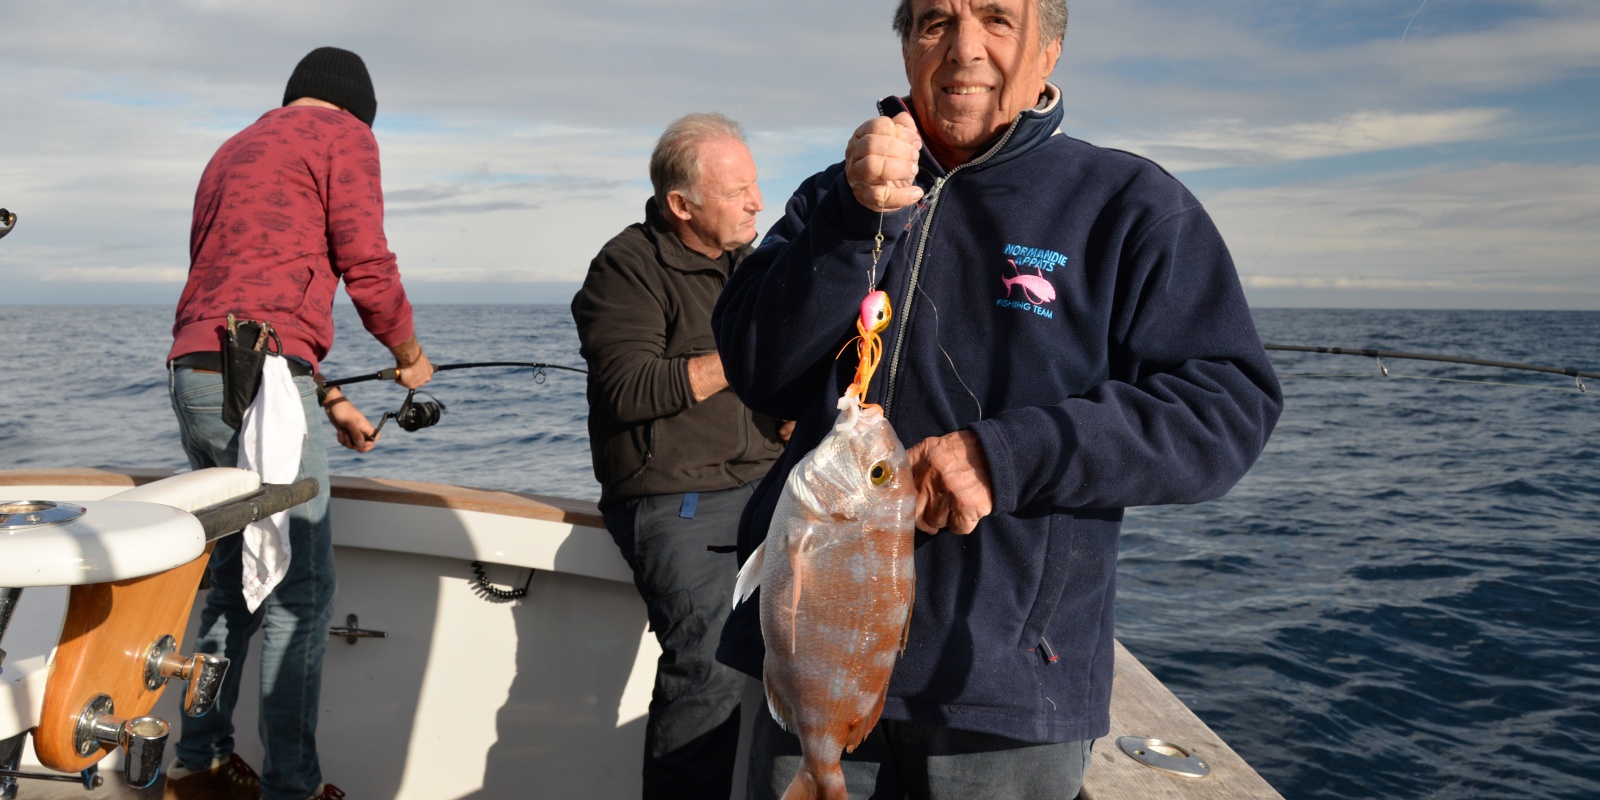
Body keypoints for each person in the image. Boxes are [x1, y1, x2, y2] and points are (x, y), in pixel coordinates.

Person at [712, 1, 1284, 797]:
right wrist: (848, 221)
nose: (964, 49)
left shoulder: (1128, 205)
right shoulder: (830, 197)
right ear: (907, 45)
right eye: (936, 21)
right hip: (810, 654)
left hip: (1001, 693)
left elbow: (1227, 406)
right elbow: (756, 367)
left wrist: (1008, 456)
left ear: (1048, 54)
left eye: (997, 20)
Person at [164, 46, 433, 800]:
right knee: (299, 590)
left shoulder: (233, 148)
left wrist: (331, 401)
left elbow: (240, 291)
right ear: (356, 109)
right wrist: (407, 353)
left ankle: (197, 759)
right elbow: (367, 263)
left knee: (229, 582)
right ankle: (293, 786)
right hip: (264, 380)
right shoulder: (343, 136)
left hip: (195, 372)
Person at [571, 112, 787, 800]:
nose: (758, 202)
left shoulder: (753, 266)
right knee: (710, 667)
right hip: (675, 496)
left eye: (756, 186)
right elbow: (628, 389)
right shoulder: (625, 267)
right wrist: (740, 358)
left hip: (768, 487)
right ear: (681, 206)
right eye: (738, 192)